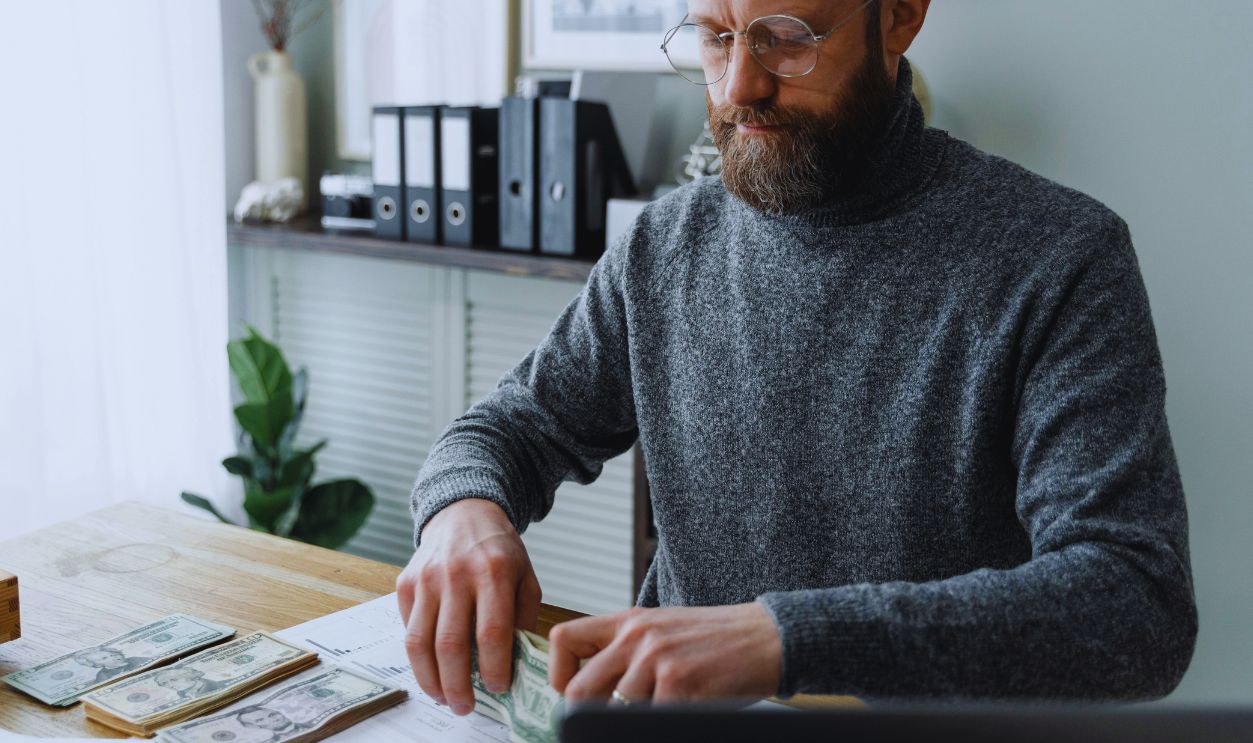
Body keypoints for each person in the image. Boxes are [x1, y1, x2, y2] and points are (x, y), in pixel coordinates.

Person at [397, 0, 1197, 714]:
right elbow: (506, 431)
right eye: (714, 38)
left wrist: (786, 638)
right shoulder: (662, 245)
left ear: (900, 16)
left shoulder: (1058, 257)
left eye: (786, 38)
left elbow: (1134, 603)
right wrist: (461, 514)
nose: (739, 85)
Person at [73, 647, 151, 685]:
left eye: (114, 654)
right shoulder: (103, 675)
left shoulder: (135, 659)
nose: (113, 657)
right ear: (97, 665)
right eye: (104, 658)